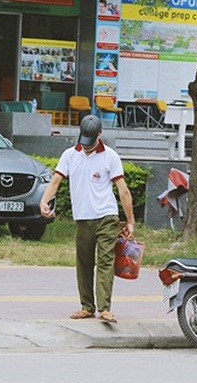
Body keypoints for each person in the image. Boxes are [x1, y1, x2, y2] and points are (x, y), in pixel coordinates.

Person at [39, 115, 135, 324]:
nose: (87, 147)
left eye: (91, 142)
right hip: (83, 218)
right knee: (83, 263)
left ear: (100, 135)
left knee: (105, 261)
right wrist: (44, 202)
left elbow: (123, 191)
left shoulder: (110, 156)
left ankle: (105, 308)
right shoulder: (70, 155)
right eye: (85, 141)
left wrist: (130, 221)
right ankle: (87, 307)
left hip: (107, 217)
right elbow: (56, 181)